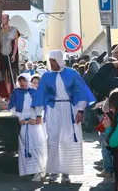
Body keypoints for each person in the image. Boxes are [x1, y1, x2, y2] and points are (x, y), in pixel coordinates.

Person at [32, 50, 95, 183]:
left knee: (68, 140)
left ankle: (66, 172)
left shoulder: (72, 74)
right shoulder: (47, 76)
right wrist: (39, 114)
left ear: (59, 60)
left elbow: (81, 93)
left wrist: (80, 111)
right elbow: (41, 95)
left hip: (69, 109)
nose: (51, 63)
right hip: (53, 110)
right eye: (50, 61)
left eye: (53, 61)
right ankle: (53, 171)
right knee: (53, 140)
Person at [8, 73, 47, 181]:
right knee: (25, 146)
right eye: (20, 81)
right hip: (23, 124)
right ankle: (28, 170)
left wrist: (35, 118)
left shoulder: (34, 92)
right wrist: (21, 118)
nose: (22, 83)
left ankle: (38, 170)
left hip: (33, 123)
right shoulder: (16, 92)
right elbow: (12, 108)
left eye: (24, 80)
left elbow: (39, 107)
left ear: (28, 81)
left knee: (36, 145)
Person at [0, 14, 20, 98]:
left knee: (11, 74)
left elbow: (15, 43)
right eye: (1, 18)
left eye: (4, 18)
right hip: (2, 54)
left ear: (7, 19)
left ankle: (12, 93)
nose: (3, 20)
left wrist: (14, 54)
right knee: (5, 75)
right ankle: (8, 94)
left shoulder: (14, 30)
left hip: (10, 53)